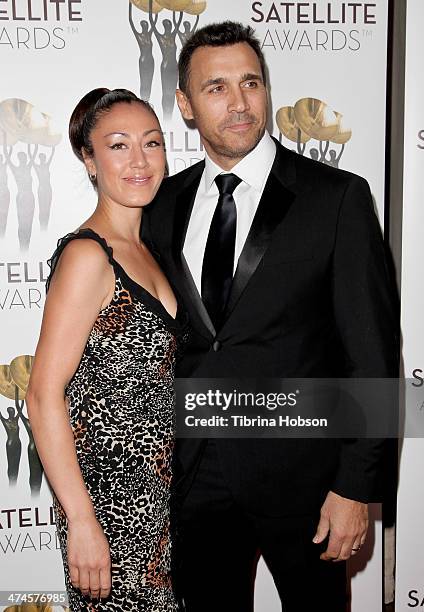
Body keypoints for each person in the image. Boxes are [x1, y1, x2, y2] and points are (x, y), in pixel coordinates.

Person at [144, 21, 399, 612]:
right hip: (193, 478)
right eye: (216, 88)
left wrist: (355, 487)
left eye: (251, 83)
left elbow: (372, 352)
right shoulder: (161, 206)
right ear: (184, 104)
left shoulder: (336, 198)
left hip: (307, 483)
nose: (239, 103)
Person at [26, 88, 186, 611]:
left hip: (162, 506)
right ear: (89, 160)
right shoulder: (86, 256)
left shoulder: (152, 250)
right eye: (118, 146)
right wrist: (81, 521)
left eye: (152, 143)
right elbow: (44, 395)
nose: (139, 161)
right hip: (110, 514)